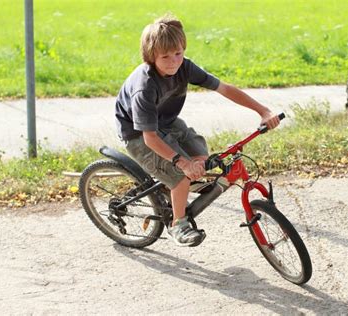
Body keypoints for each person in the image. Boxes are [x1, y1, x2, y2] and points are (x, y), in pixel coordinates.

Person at [114, 14, 280, 247]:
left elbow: (224, 88)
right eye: (165, 56)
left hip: (167, 121)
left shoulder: (185, 67)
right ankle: (178, 224)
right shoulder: (144, 87)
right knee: (181, 176)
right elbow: (150, 138)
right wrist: (181, 163)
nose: (173, 61)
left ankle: (173, 184)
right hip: (138, 134)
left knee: (203, 157)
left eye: (178, 54)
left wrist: (262, 111)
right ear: (151, 57)